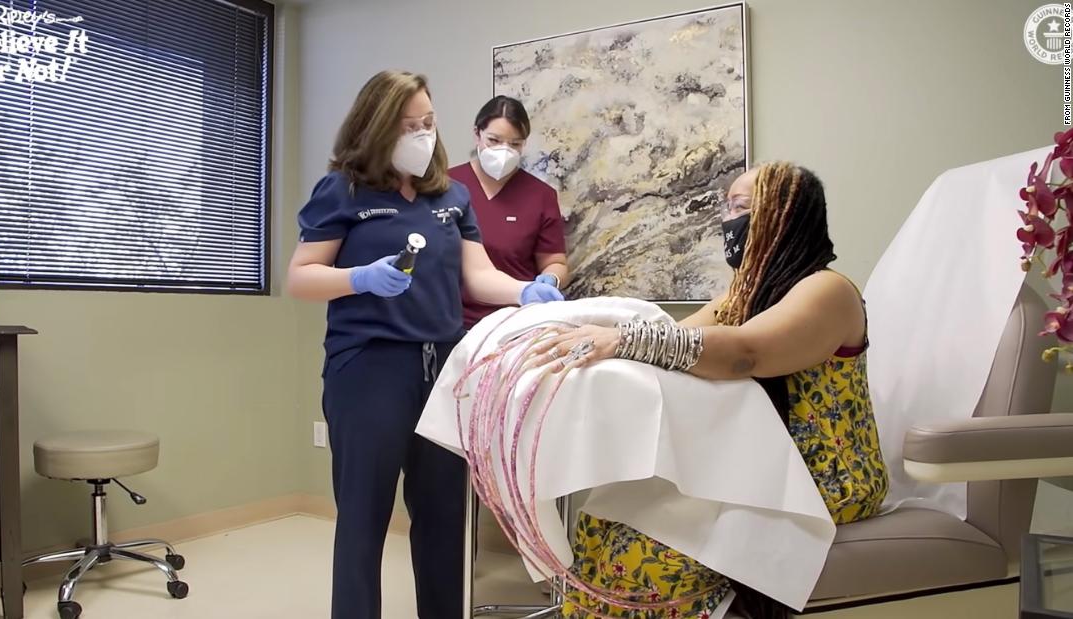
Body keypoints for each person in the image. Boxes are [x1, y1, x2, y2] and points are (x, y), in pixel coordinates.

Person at [532, 162, 889, 619]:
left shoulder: (827, 290)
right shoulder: (746, 292)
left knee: (645, 557)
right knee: (601, 526)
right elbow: (674, 337)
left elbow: (744, 353)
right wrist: (591, 333)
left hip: (825, 478)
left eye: (742, 207)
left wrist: (623, 340)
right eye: (728, 207)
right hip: (757, 463)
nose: (729, 220)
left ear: (784, 215)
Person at [286, 70, 563, 619]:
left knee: (443, 519)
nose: (421, 135)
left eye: (429, 123)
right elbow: (300, 276)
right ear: (376, 128)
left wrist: (526, 291)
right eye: (408, 126)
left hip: (445, 368)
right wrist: (359, 277)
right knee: (364, 518)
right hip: (369, 369)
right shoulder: (343, 190)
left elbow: (477, 276)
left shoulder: (451, 196)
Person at [450, 95, 569, 329]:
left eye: (515, 144)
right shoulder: (446, 186)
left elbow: (555, 262)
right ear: (477, 134)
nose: (503, 151)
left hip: (515, 322)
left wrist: (550, 280)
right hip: (454, 321)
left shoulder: (540, 195)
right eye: (494, 140)